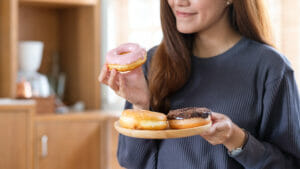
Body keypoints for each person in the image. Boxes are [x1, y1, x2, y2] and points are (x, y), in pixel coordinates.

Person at [99, 0, 300, 168]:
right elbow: (132, 162)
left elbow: (290, 164)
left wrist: (236, 139)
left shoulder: (271, 68)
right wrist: (141, 106)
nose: (179, 2)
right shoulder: (152, 62)